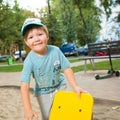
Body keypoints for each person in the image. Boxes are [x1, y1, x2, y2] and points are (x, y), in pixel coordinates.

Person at [20, 18, 87, 120]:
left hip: (60, 86)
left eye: (40, 34)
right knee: (48, 117)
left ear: (47, 36)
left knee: (64, 113)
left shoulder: (55, 51)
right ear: (27, 42)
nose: (36, 39)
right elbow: (24, 85)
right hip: (43, 92)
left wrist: (75, 87)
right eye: (31, 37)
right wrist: (28, 109)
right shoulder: (29, 61)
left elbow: (67, 69)